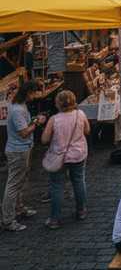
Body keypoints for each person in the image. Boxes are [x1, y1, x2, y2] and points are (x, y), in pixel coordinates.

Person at [40, 89, 90, 229]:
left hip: (59, 156)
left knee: (56, 187)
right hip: (78, 154)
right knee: (79, 181)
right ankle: (81, 210)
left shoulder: (54, 120)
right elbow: (87, 131)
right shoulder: (80, 114)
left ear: (58, 103)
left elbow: (44, 139)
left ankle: (55, 219)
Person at [2, 81, 46, 231]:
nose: (35, 96)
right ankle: (8, 220)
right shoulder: (17, 110)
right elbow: (23, 132)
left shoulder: (20, 107)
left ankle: (18, 208)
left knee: (20, 181)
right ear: (28, 92)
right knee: (14, 184)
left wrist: (33, 121)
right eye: (34, 93)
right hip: (18, 151)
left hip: (22, 148)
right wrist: (37, 123)